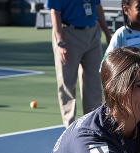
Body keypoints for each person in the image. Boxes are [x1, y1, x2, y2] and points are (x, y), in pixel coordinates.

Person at [47, 0, 112, 128]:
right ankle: (70, 128)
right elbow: (55, 12)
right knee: (67, 83)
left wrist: (107, 34)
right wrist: (60, 43)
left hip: (92, 34)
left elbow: (98, 7)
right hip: (68, 35)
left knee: (94, 83)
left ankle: (94, 125)